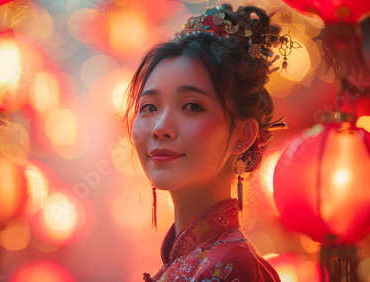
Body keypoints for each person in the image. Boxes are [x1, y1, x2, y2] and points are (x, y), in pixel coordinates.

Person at [123, 4, 290, 281]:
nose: (161, 128)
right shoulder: (190, 262)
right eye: (149, 107)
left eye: (191, 106)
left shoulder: (232, 267)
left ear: (243, 135)